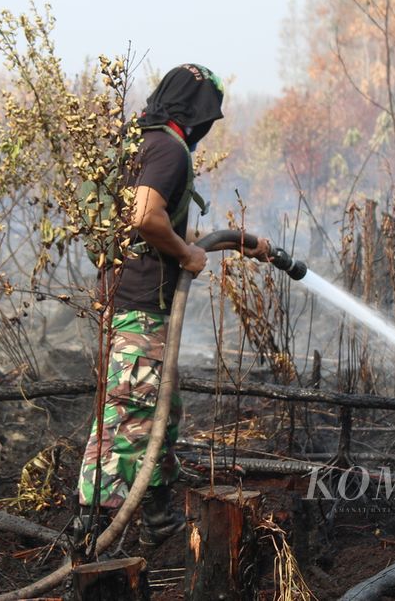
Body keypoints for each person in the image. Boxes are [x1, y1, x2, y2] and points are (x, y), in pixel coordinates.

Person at [77, 64, 271, 547]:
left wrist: (243, 243)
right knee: (128, 424)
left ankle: (160, 520)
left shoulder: (137, 139)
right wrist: (186, 254)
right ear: (201, 110)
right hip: (140, 306)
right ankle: (92, 544)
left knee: (160, 411)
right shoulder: (167, 148)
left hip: (126, 298)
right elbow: (146, 216)